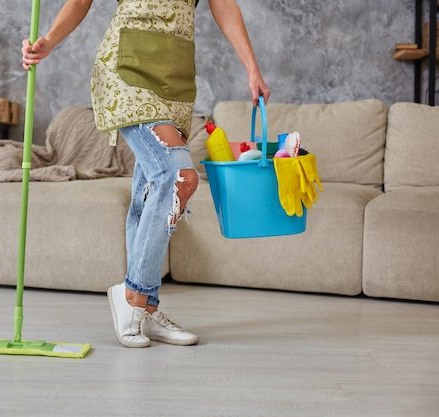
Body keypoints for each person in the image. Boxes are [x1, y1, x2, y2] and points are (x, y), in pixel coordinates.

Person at [22, 0, 270, 348]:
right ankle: (134, 295)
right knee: (179, 177)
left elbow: (223, 5)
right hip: (127, 71)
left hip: (175, 77)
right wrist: (49, 39)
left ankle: (148, 310)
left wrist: (252, 68)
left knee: (149, 191)